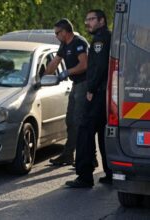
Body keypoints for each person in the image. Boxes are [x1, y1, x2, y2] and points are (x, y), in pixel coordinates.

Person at [66, 9, 112, 188]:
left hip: (98, 92)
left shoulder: (100, 39)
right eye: (87, 19)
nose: (88, 23)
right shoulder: (108, 36)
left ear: (102, 20)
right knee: (102, 132)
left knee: (84, 131)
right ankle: (109, 172)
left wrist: (91, 89)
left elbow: (99, 67)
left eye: (91, 19)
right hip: (104, 93)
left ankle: (84, 176)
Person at [45, 18, 89, 166]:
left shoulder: (78, 43)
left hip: (84, 84)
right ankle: (69, 155)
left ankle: (84, 157)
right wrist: (42, 76)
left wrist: (67, 72)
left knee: (79, 121)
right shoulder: (64, 45)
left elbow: (84, 65)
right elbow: (54, 62)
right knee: (70, 120)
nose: (56, 36)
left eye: (57, 33)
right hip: (76, 85)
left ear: (64, 32)